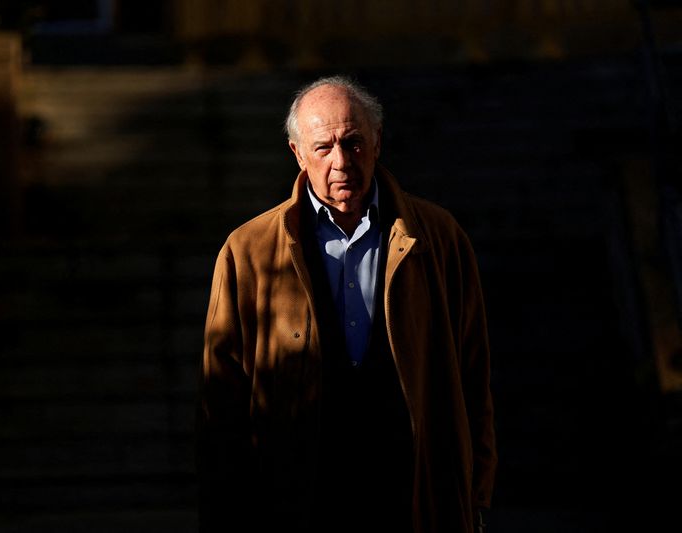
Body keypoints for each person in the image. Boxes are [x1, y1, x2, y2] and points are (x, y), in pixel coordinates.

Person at [197, 76, 496, 533]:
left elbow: (473, 374)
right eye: (323, 147)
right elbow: (221, 399)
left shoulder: (438, 237)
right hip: (300, 500)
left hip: (412, 495)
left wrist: (475, 493)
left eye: (353, 143)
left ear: (377, 142)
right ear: (297, 154)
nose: (341, 162)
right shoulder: (248, 251)